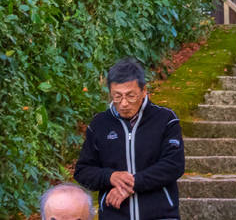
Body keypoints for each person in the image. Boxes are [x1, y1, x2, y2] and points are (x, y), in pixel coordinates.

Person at [73, 58, 185, 220]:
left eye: (130, 96)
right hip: (114, 215)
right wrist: (110, 177)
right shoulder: (99, 124)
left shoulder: (166, 119)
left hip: (161, 215)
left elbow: (173, 165)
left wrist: (132, 183)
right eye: (117, 96)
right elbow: (83, 171)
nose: (124, 103)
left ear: (144, 90)